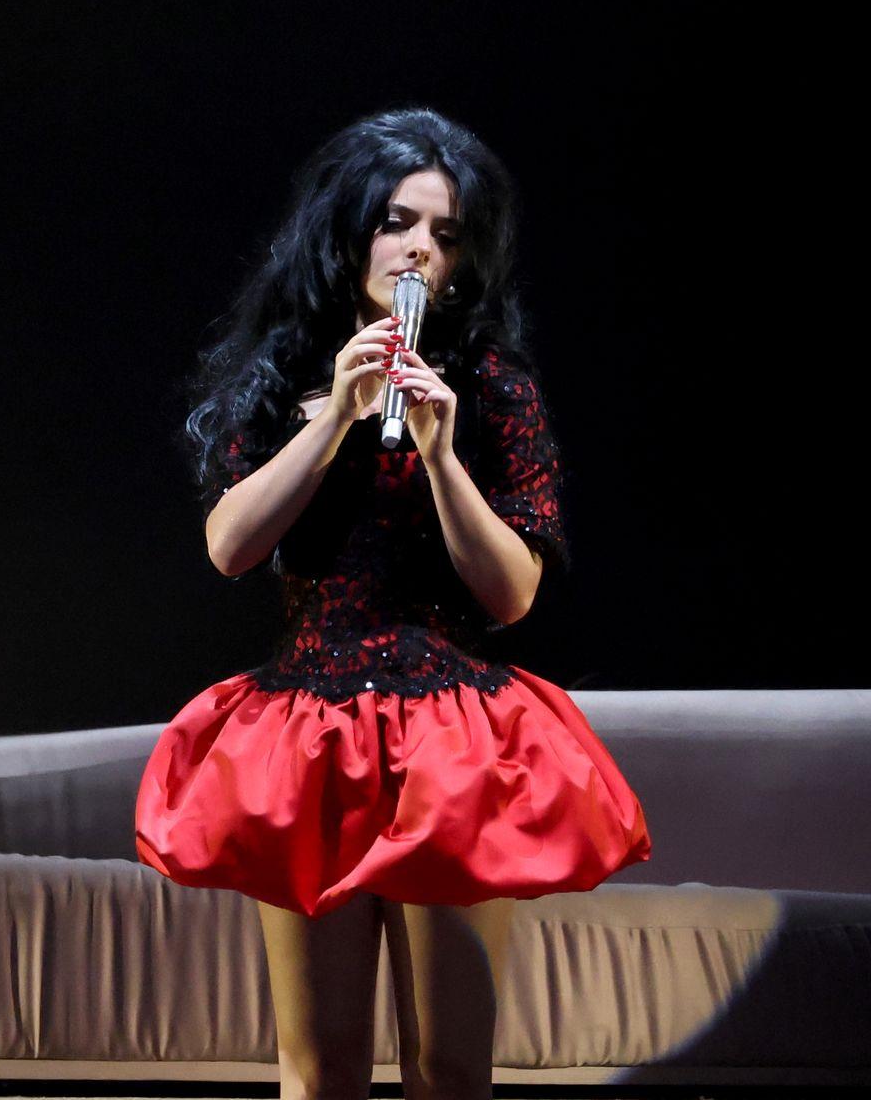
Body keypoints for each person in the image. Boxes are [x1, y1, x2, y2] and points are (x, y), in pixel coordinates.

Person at [134, 106, 652, 1100]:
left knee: (448, 1065)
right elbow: (232, 547)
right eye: (397, 222)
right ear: (349, 231)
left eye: (445, 234)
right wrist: (336, 414)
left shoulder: (490, 386)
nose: (420, 250)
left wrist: (441, 454)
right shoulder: (289, 374)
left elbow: (512, 593)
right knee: (320, 1063)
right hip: (312, 735)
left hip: (452, 741)